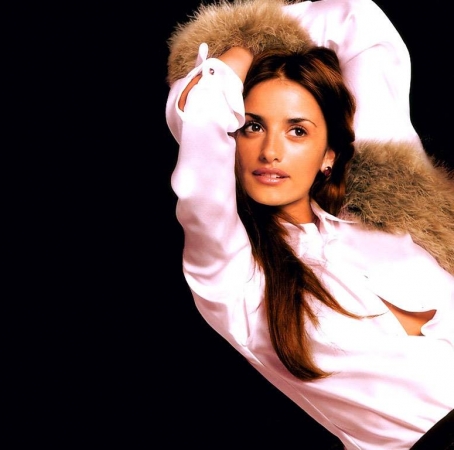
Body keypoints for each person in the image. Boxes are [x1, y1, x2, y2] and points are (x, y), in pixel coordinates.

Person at [165, 2, 454, 448]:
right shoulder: (233, 278)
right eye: (251, 127)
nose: (271, 152)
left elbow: (357, 21)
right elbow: (201, 119)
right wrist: (244, 44)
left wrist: (268, 36)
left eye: (297, 131)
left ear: (328, 155)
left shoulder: (388, 217)